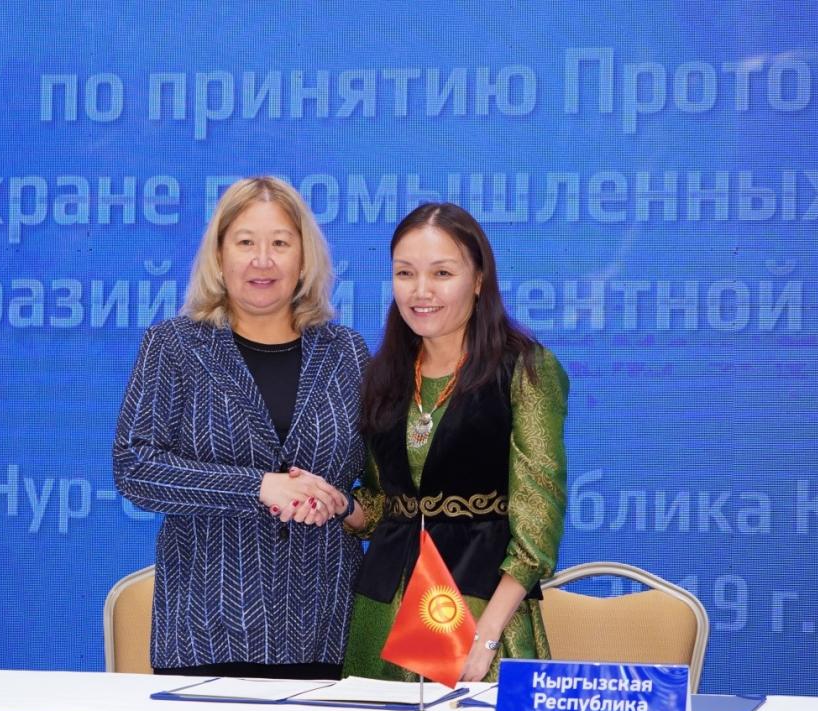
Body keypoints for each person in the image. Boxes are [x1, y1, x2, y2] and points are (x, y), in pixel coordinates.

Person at [113, 176, 368, 680]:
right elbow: (135, 467)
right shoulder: (174, 346)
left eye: (280, 243)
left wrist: (340, 502)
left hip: (327, 632)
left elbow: (380, 485)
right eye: (246, 242)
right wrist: (257, 486)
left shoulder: (346, 353)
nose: (262, 260)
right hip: (206, 634)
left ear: (303, 258)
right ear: (219, 254)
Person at [342, 202, 569, 683]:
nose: (420, 291)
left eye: (442, 273)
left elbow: (537, 523)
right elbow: (384, 507)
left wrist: (486, 637)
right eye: (405, 273)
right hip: (383, 615)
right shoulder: (383, 375)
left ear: (479, 279)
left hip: (476, 615)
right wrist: (339, 505)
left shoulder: (525, 370)